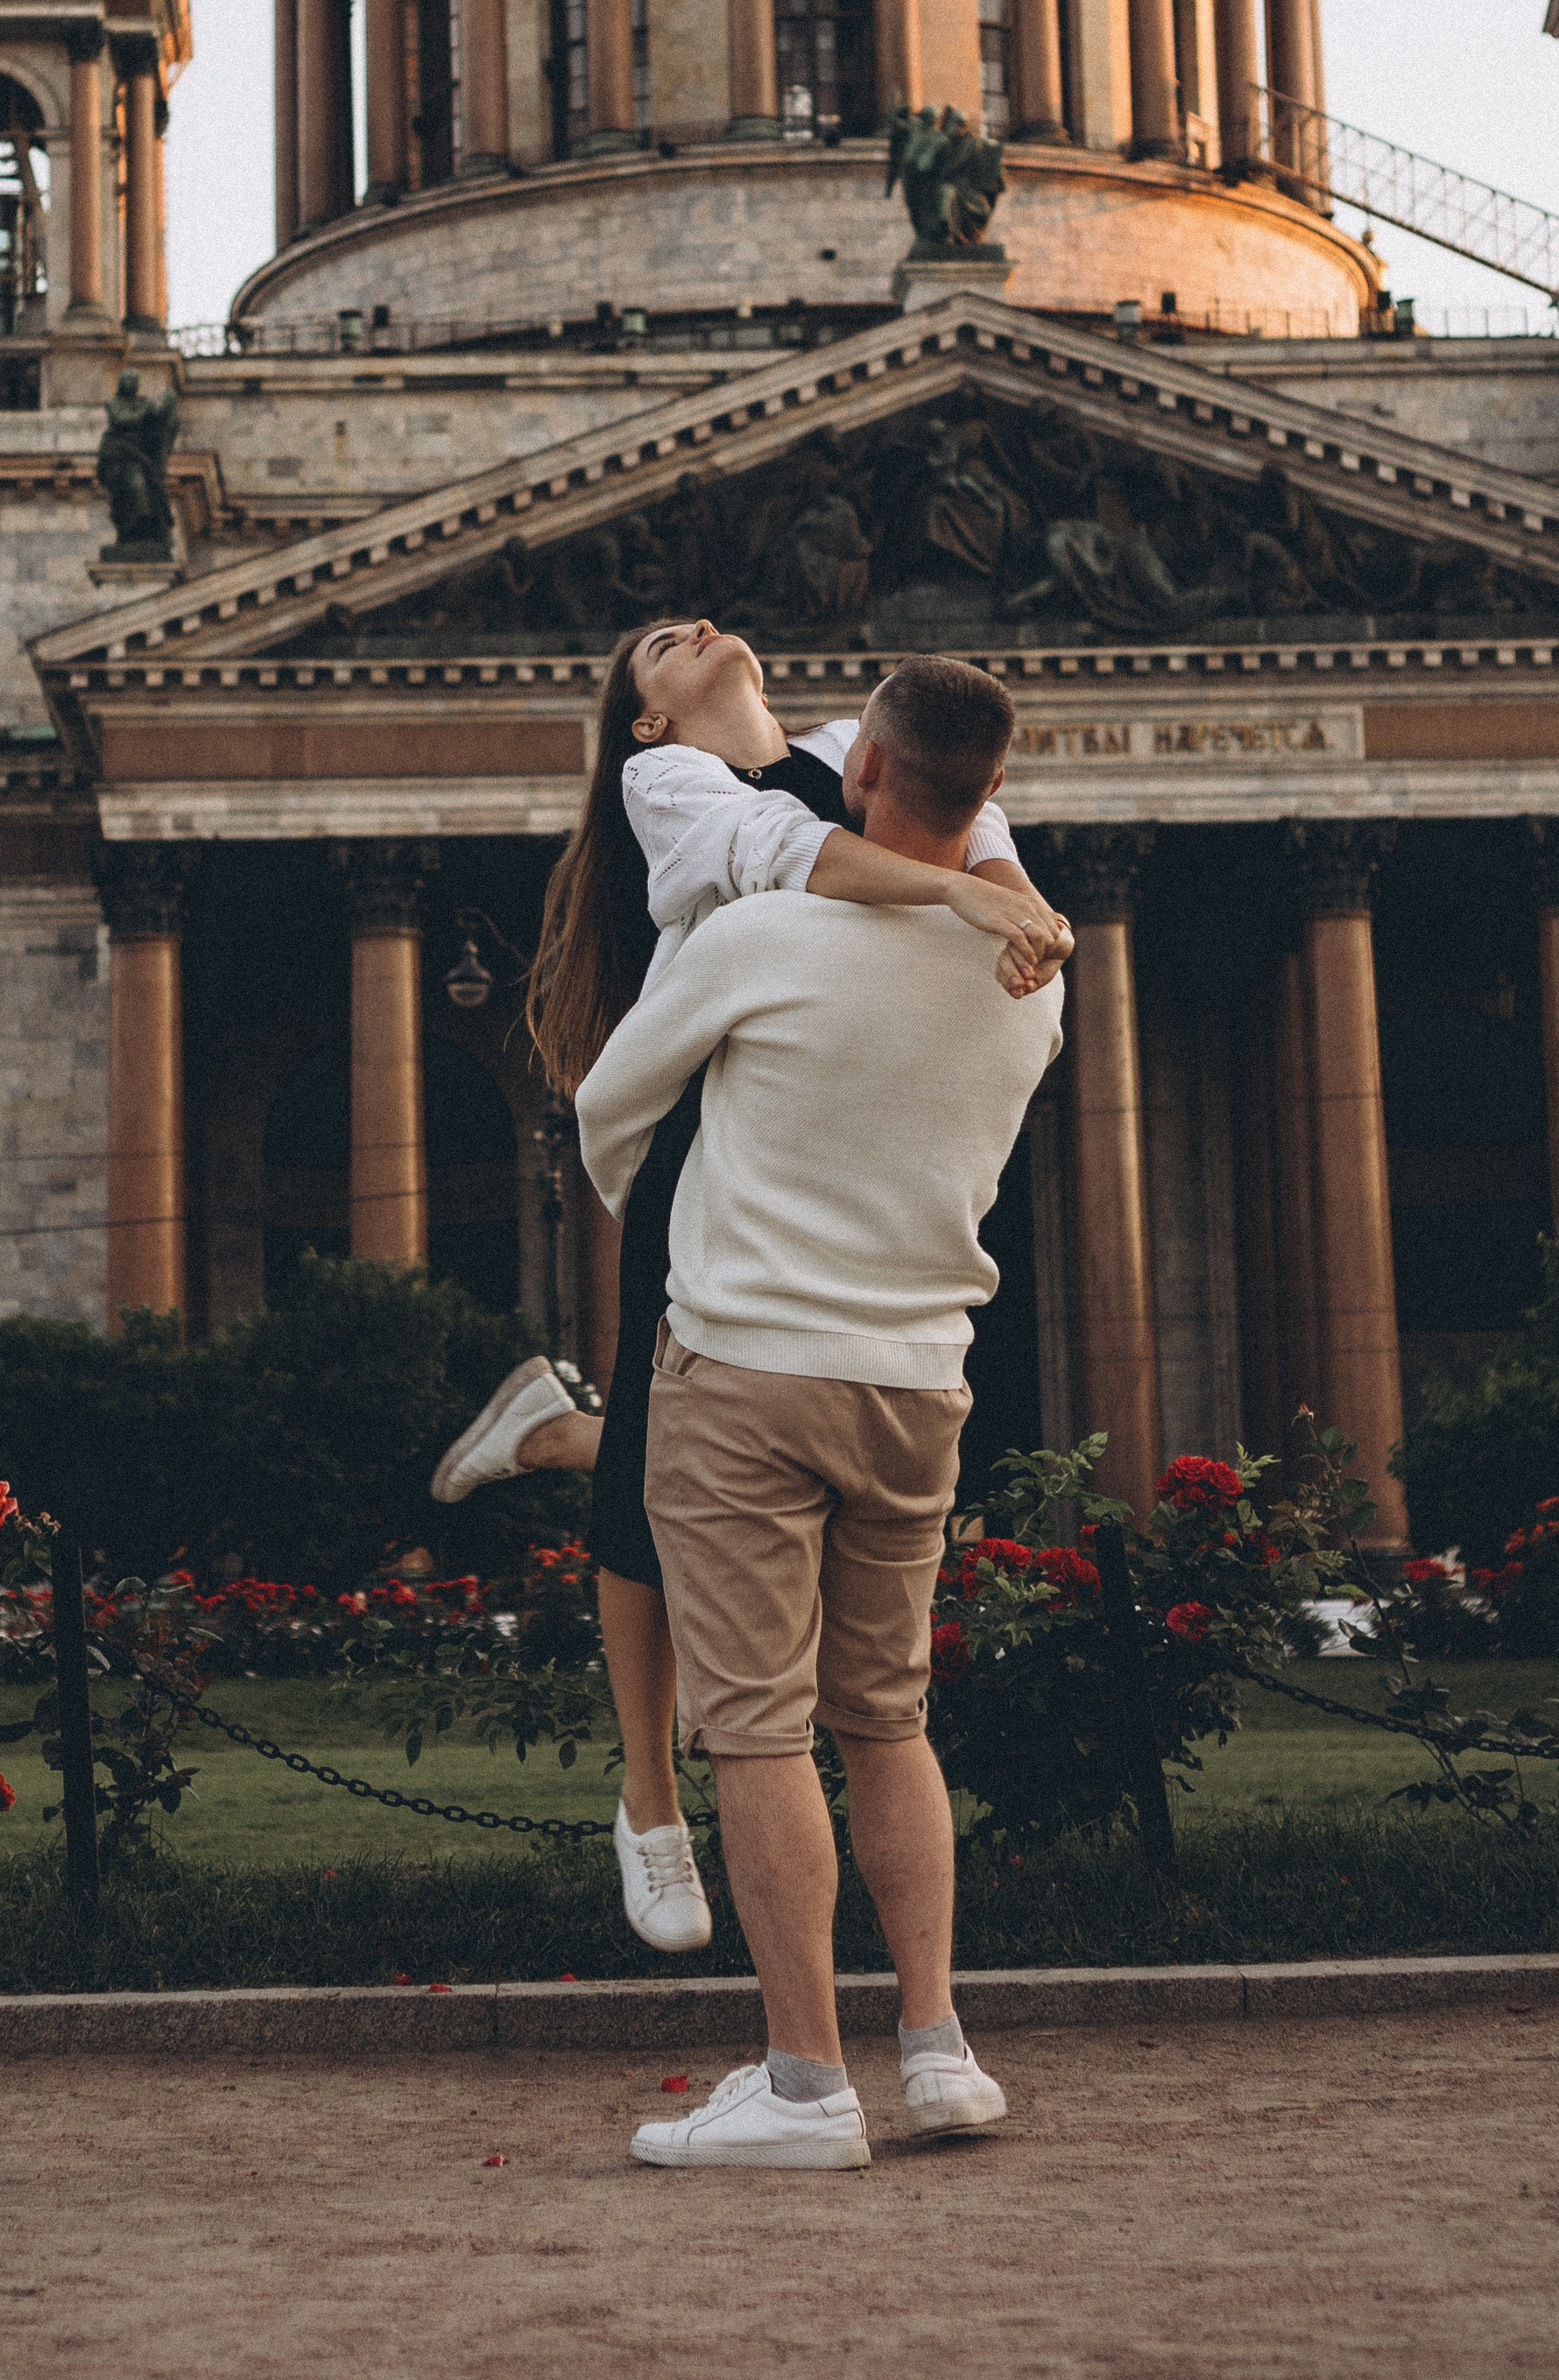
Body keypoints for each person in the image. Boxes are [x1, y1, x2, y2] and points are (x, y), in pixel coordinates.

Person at [428, 621, 1070, 1955]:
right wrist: (963, 899)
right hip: (703, 1128)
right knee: (672, 1461)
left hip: (805, 1106)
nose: (699, 631)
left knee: (705, 1450)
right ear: (647, 718)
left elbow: (976, 818)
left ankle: (549, 1429)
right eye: (662, 647)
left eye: (705, 620)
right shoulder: (662, 785)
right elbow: (794, 861)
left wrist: (1015, 899)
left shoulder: (851, 748)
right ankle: (651, 1801)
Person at [579, 655, 1063, 2168]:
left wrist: (710, 1192)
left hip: (742, 1374)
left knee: (759, 1732)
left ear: (860, 777)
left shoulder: (760, 938)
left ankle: (803, 2084)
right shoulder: (1031, 988)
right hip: (920, 1379)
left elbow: (613, 1115)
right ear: (987, 807)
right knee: (888, 1719)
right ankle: (939, 2051)